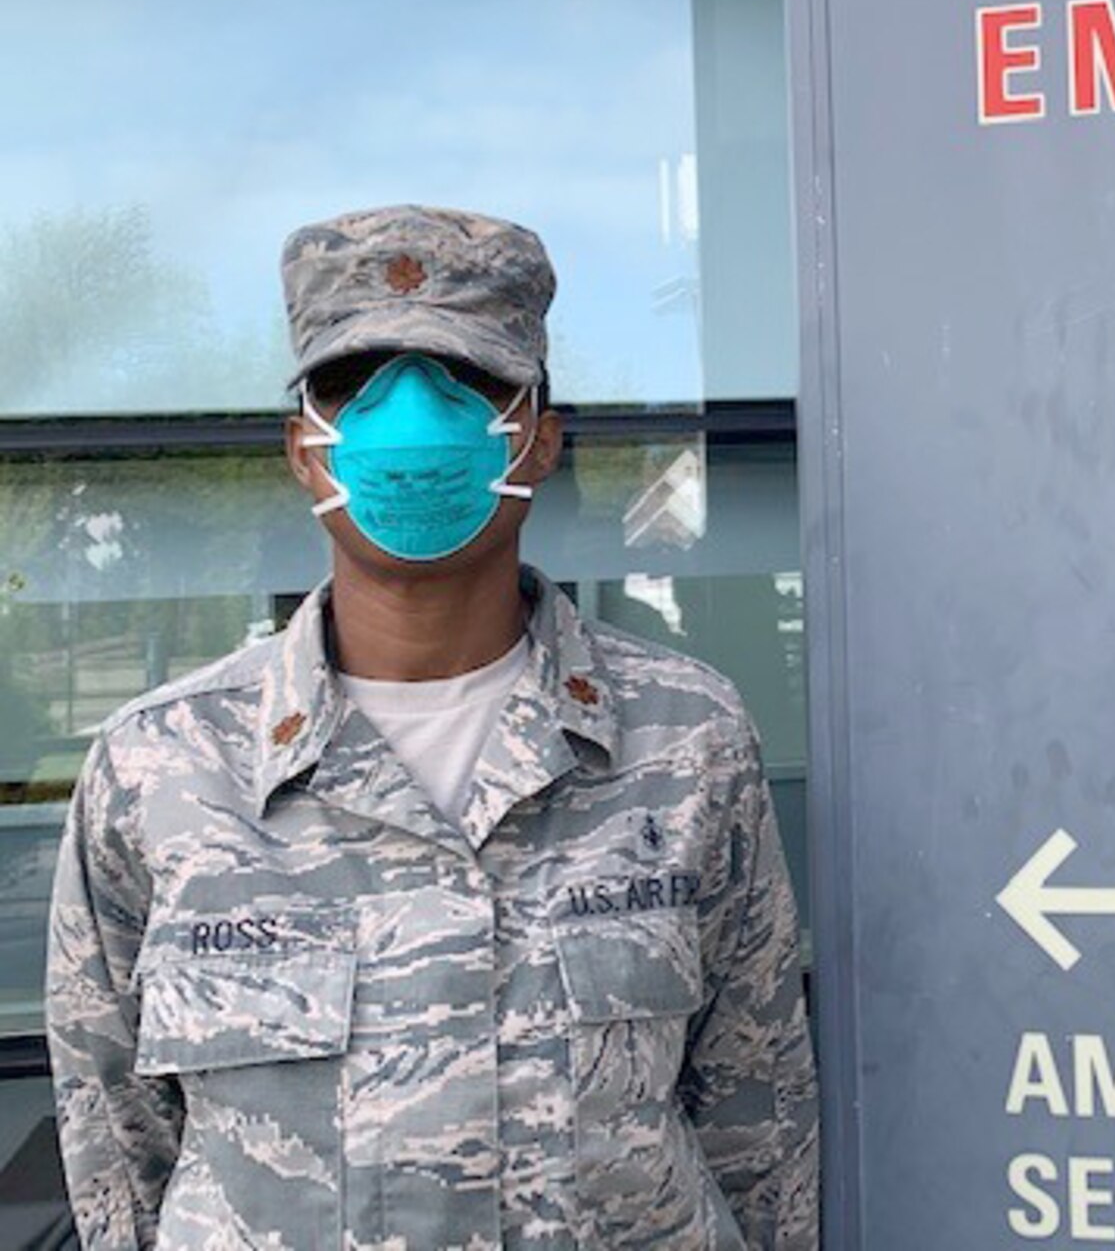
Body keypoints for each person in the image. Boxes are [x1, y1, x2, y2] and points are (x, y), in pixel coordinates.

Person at [45, 205, 819, 1250]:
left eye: (468, 378)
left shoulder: (685, 740)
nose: (408, 415)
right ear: (306, 451)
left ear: (539, 435)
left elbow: (755, 1123)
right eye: (351, 382)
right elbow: (117, 1151)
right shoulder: (160, 768)